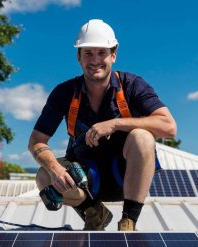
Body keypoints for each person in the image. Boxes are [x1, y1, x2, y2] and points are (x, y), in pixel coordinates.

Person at [28, 19, 177, 231]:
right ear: (78, 57)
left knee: (143, 137)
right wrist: (55, 169)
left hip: (124, 176)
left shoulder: (132, 85)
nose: (95, 60)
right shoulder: (64, 93)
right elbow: (36, 141)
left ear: (113, 55)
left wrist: (115, 124)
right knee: (43, 175)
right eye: (88, 53)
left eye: (102, 53)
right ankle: (94, 212)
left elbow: (169, 127)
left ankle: (128, 221)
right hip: (87, 181)